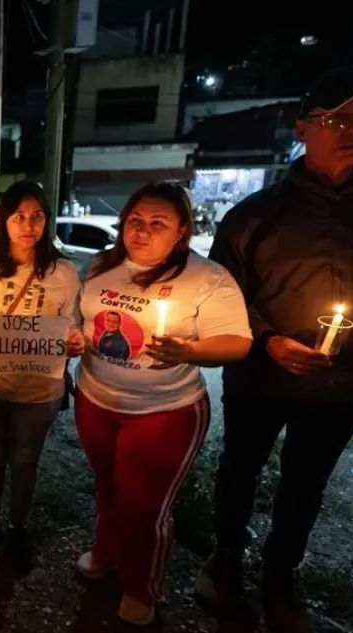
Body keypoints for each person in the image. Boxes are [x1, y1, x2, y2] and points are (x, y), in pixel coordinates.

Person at [197, 66, 353, 633]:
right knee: (240, 468)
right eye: (337, 118)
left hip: (348, 380)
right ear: (303, 129)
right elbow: (221, 292)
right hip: (261, 376)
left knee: (307, 480)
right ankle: (226, 556)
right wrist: (269, 340)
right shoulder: (254, 215)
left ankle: (281, 574)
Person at [72, 182, 252, 626]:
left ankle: (140, 587)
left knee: (146, 506)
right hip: (96, 399)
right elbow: (80, 320)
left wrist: (189, 351)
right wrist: (73, 336)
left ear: (182, 230)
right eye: (135, 221)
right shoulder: (100, 266)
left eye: (157, 223)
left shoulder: (206, 278)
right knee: (108, 486)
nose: (142, 231)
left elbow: (238, 342)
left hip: (164, 411)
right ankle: (108, 551)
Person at [0, 181, 83, 575]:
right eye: (19, 216)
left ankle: (18, 527)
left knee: (26, 460)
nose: (28, 225)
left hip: (40, 387)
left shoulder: (63, 271)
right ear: (4, 220)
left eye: (37, 216)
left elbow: (74, 325)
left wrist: (75, 341)